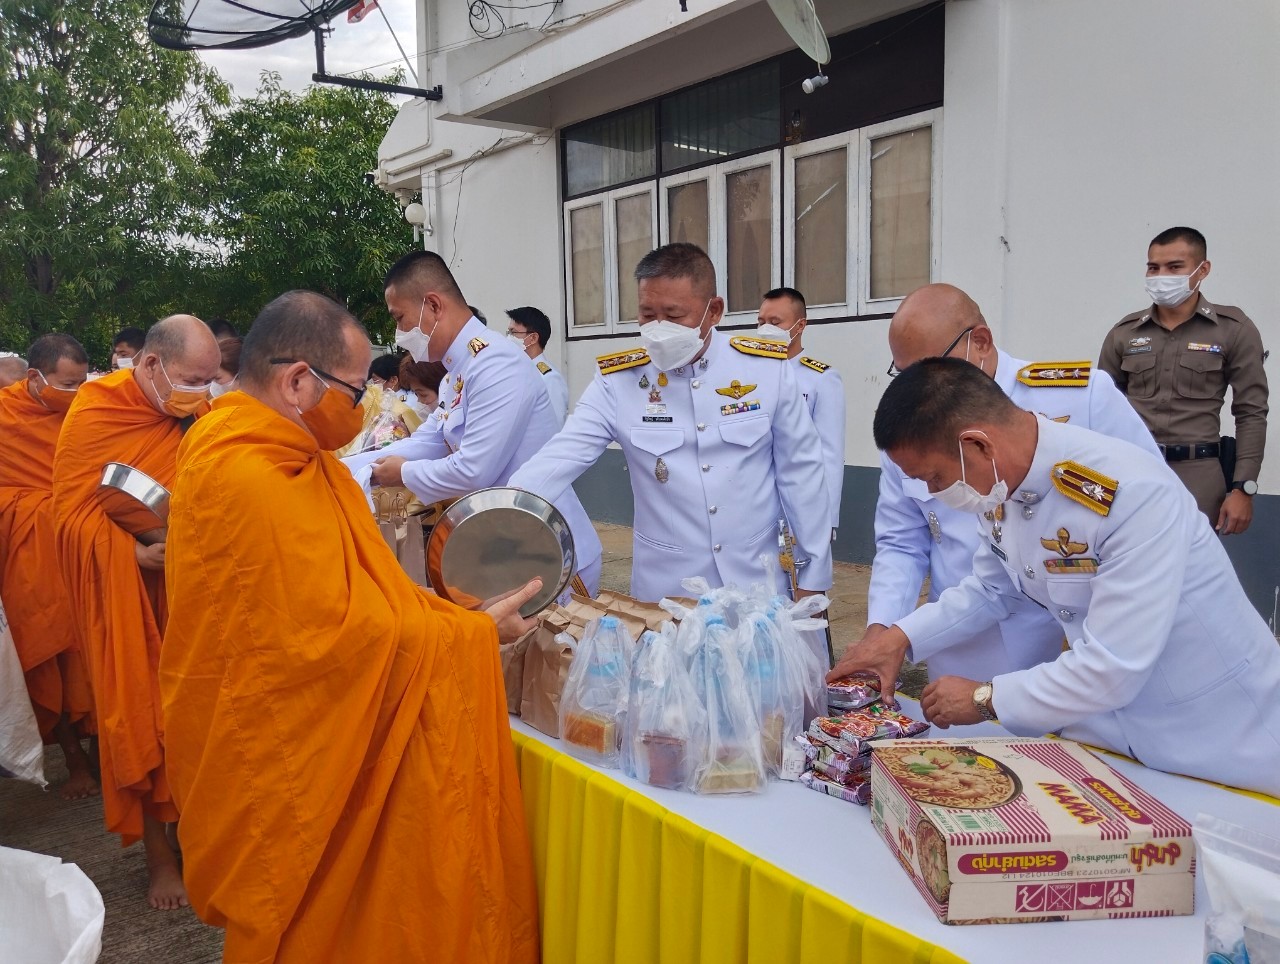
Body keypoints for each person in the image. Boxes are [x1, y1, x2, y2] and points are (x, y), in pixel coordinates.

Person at [160, 291, 540, 964]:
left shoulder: (292, 457)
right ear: (297, 381)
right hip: (287, 754)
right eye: (354, 389)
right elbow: (327, 644)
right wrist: (473, 634)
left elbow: (371, 595)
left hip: (319, 731)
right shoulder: (246, 472)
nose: (363, 406)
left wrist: (452, 617)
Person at [838, 357, 1280, 795]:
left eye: (935, 477)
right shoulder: (999, 484)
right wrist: (899, 638)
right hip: (1113, 740)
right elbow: (992, 589)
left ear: (978, 445)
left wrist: (986, 699)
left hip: (1218, 745)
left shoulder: (1131, 495)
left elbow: (1111, 667)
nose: (933, 493)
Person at [860, 283, 1159, 685]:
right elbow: (902, 541)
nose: (914, 391)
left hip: (1066, 634)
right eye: (904, 374)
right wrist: (884, 629)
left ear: (979, 342)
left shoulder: (1078, 398)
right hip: (958, 627)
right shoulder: (908, 430)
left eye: (928, 370)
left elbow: (1149, 509)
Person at [510, 242, 832, 602]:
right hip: (667, 595)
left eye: (674, 315)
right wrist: (503, 511)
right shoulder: (619, 381)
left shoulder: (766, 370)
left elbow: (801, 473)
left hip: (757, 587)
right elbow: (562, 454)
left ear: (715, 311)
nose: (658, 328)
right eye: (648, 314)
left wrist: (813, 575)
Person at [52, 314, 219, 910]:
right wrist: (130, 553)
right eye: (190, 379)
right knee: (140, 719)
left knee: (197, 719)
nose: (200, 392)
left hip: (191, 589)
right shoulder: (97, 408)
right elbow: (68, 516)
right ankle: (158, 855)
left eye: (208, 380)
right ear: (150, 364)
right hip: (127, 591)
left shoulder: (196, 414)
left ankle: (195, 837)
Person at [343, 251, 604, 595]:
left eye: (401, 318)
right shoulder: (458, 373)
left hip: (550, 550)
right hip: (509, 545)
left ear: (433, 306)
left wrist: (401, 473)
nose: (399, 333)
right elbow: (430, 441)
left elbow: (474, 469)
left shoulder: (495, 363)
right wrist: (347, 467)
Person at [1099, 226, 1269, 534]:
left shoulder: (1233, 329)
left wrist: (1243, 488)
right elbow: (1100, 409)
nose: (1161, 275)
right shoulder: (1125, 333)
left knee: (1194, 574)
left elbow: (1251, 412)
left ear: (1203, 269)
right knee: (1128, 566)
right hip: (1133, 472)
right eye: (1154, 267)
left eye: (1175, 267)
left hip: (1199, 476)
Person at [0, 334, 97, 799]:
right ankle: (74, 759)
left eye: (82, 381)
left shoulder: (90, 411)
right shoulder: (4, 416)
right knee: (48, 651)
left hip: (85, 547)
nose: (77, 392)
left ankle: (107, 751)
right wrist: (37, 509)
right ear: (35, 378)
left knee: (96, 648)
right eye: (67, 383)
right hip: (32, 556)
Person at [757, 287, 845, 538]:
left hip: (799, 505)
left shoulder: (821, 379)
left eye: (775, 322)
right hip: (753, 503)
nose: (766, 329)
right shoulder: (748, 376)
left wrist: (826, 519)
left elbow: (830, 453)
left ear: (800, 325)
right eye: (761, 322)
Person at [506, 306, 569, 428]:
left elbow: (554, 427)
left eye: (513, 332)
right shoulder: (518, 371)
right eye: (508, 332)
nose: (508, 338)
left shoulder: (548, 378)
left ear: (533, 338)